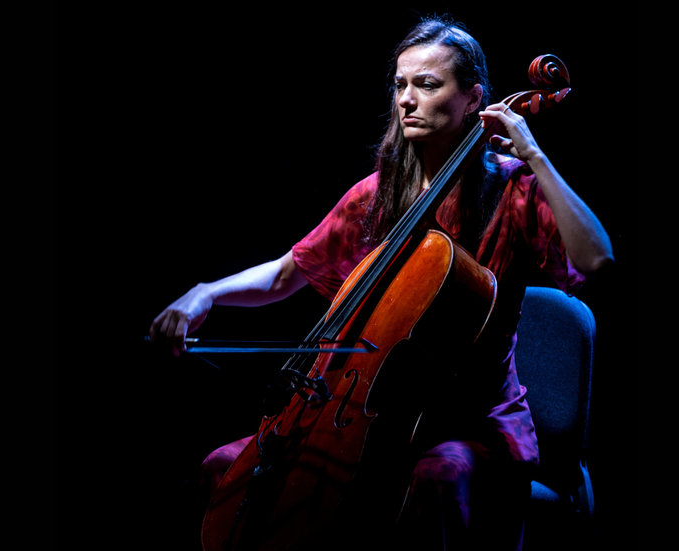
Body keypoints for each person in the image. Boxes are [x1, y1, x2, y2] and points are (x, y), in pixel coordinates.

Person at [150, 16, 613, 551]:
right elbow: (285, 273)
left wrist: (533, 153)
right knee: (225, 468)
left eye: (428, 84)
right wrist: (204, 291)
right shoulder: (376, 195)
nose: (407, 100)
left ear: (474, 99)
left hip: (466, 424)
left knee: (434, 477)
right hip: (367, 414)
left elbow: (597, 260)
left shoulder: (514, 193)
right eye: (400, 85)